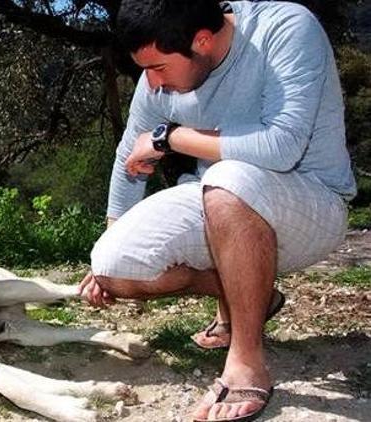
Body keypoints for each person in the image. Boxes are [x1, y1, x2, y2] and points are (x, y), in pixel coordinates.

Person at [79, 1, 356, 421]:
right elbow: (128, 158)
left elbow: (281, 148)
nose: (152, 83)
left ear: (202, 41)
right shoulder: (160, 69)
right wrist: (109, 235)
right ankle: (253, 296)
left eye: (158, 68)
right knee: (114, 263)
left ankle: (247, 361)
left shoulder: (285, 29)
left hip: (311, 202)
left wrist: (171, 137)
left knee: (227, 180)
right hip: (219, 198)